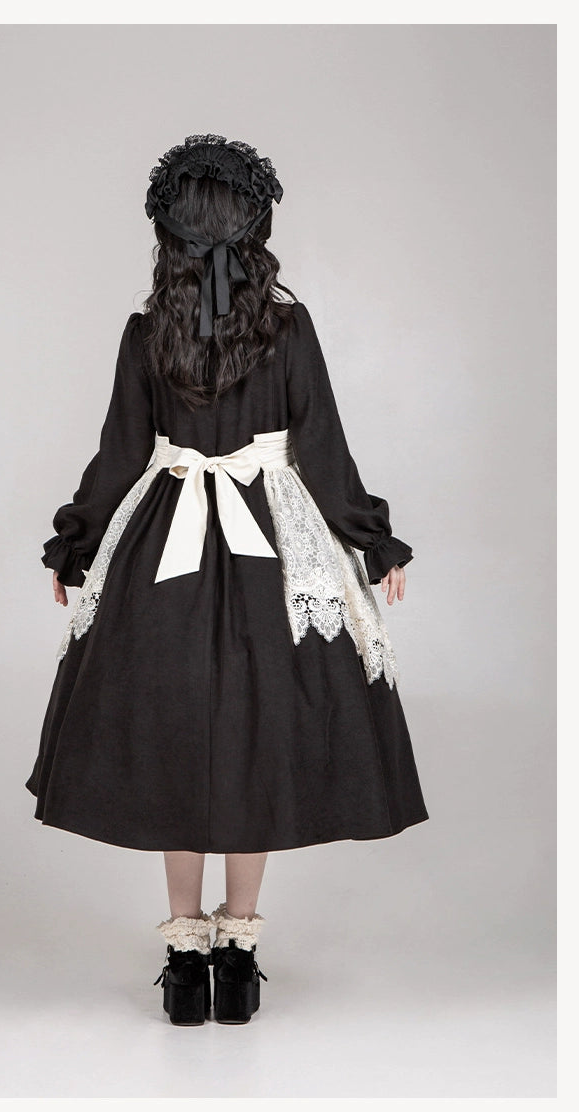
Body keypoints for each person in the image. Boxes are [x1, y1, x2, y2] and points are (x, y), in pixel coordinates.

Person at [25, 133, 429, 1026]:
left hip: (164, 544)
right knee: (255, 734)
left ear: (166, 233)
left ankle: (186, 960)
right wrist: (372, 541)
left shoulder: (146, 331)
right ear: (257, 227)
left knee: (179, 732)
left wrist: (78, 544)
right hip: (269, 548)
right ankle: (237, 954)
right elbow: (322, 447)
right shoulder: (287, 327)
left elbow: (120, 454)